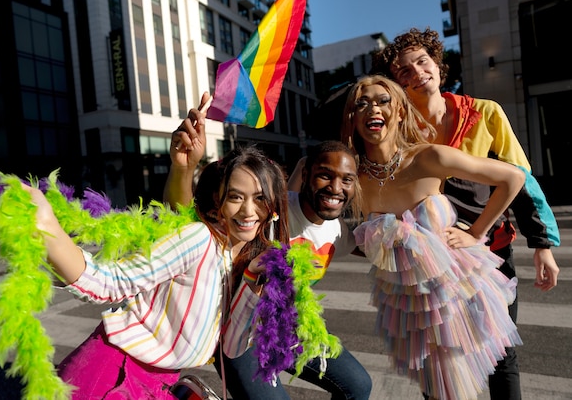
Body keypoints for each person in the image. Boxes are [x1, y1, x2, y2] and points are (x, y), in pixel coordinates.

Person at [0, 144, 290, 399]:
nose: (248, 210)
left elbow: (230, 349)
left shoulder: (245, 259)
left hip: (162, 381)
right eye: (236, 197)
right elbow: (109, 282)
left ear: (274, 206)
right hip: (112, 372)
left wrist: (250, 286)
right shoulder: (198, 238)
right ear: (218, 199)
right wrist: (45, 225)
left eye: (260, 198)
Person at [370, 27, 560, 399]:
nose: (417, 72)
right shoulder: (398, 131)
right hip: (429, 265)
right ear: (397, 84)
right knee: (439, 362)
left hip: (489, 254)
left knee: (501, 353)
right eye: (404, 71)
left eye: (422, 61)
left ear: (438, 64)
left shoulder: (485, 113)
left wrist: (542, 244)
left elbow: (521, 180)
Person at [164, 92, 373, 399]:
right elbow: (186, 224)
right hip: (240, 333)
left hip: (289, 327)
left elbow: (379, 251)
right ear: (306, 175)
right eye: (325, 176)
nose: (335, 188)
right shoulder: (269, 210)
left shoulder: (340, 232)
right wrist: (183, 168)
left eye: (346, 180)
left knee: (358, 386)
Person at [341, 74, 526, 400]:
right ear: (353, 118)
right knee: (437, 391)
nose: (373, 108)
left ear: (399, 112)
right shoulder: (354, 177)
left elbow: (511, 178)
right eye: (362, 103)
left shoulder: (430, 157)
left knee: (480, 377)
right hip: (405, 302)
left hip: (456, 291)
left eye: (383, 100)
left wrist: (476, 232)